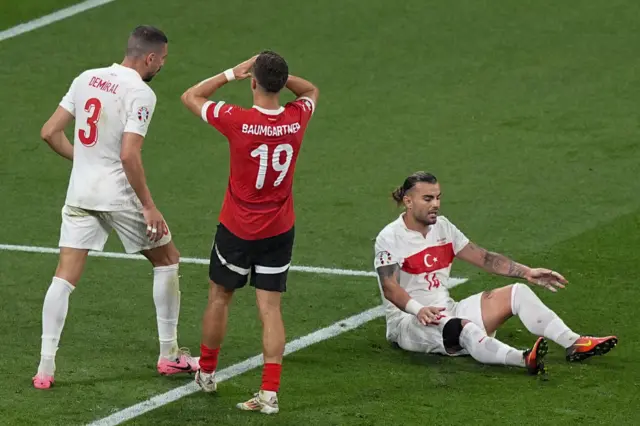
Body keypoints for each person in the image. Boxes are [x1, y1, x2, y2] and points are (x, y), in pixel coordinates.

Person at [33, 25, 199, 390]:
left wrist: (83, 162)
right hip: (117, 195)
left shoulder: (86, 78)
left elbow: (49, 132)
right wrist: (149, 206)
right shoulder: (140, 93)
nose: (163, 66)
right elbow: (128, 153)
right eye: (163, 59)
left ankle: (45, 369)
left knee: (64, 277)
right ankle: (170, 355)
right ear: (150, 58)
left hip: (80, 192)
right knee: (167, 260)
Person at [180, 51, 319, 413]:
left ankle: (207, 372)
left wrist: (231, 72)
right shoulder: (296, 118)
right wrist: (280, 76)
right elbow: (311, 90)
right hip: (279, 230)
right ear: (279, 83)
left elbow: (191, 97)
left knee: (219, 297)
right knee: (270, 308)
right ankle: (269, 394)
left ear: (253, 81)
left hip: (237, 229)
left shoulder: (237, 120)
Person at [374, 171, 617, 375]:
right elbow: (390, 287)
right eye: (428, 198)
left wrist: (526, 272)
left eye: (438, 198)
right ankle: (523, 359)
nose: (436, 204)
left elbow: (484, 257)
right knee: (463, 328)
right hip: (408, 323)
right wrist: (419, 310)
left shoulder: (443, 227)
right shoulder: (390, 237)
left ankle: (574, 343)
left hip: (448, 309)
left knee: (517, 293)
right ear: (408, 201)